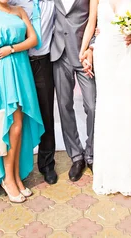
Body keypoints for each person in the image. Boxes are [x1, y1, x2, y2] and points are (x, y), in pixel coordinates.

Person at [79, 0, 131, 196]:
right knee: (108, 106)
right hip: (105, 54)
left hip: (126, 53)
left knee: (129, 103)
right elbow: (91, 23)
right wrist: (84, 49)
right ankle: (111, 169)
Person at [0, 0, 45, 203]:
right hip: (2, 72)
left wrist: (11, 48)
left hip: (21, 69)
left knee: (20, 126)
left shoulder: (18, 10)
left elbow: (33, 40)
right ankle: (8, 179)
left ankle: (16, 177)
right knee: (12, 125)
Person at [10, 0, 58, 185]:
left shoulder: (52, 3)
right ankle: (18, 166)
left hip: (43, 62)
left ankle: (47, 164)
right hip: (20, 62)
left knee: (46, 114)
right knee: (18, 116)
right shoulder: (14, 3)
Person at [52, 0, 96, 182]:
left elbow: (96, 18)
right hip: (59, 53)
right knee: (64, 106)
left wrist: (91, 48)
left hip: (83, 54)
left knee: (92, 106)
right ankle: (76, 156)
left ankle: (92, 153)